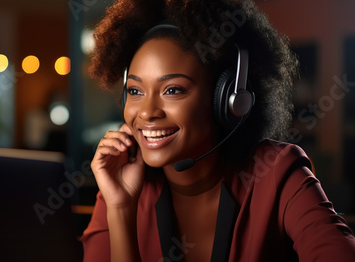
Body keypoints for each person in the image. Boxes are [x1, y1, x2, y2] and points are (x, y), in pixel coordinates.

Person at [80, 0, 355, 261]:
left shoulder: (276, 171)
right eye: (136, 91)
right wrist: (120, 209)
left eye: (173, 90)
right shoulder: (119, 186)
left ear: (228, 99)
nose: (147, 112)